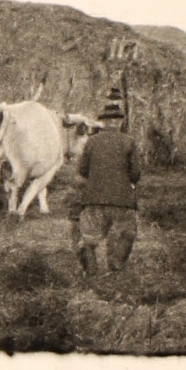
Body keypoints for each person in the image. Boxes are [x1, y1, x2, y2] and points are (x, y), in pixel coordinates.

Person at [75, 96, 142, 276]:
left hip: (94, 199)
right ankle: (116, 268)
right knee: (125, 234)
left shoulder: (92, 141)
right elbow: (136, 173)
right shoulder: (129, 141)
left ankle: (91, 270)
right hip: (123, 200)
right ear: (120, 122)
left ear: (102, 122)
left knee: (88, 238)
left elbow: (82, 170)